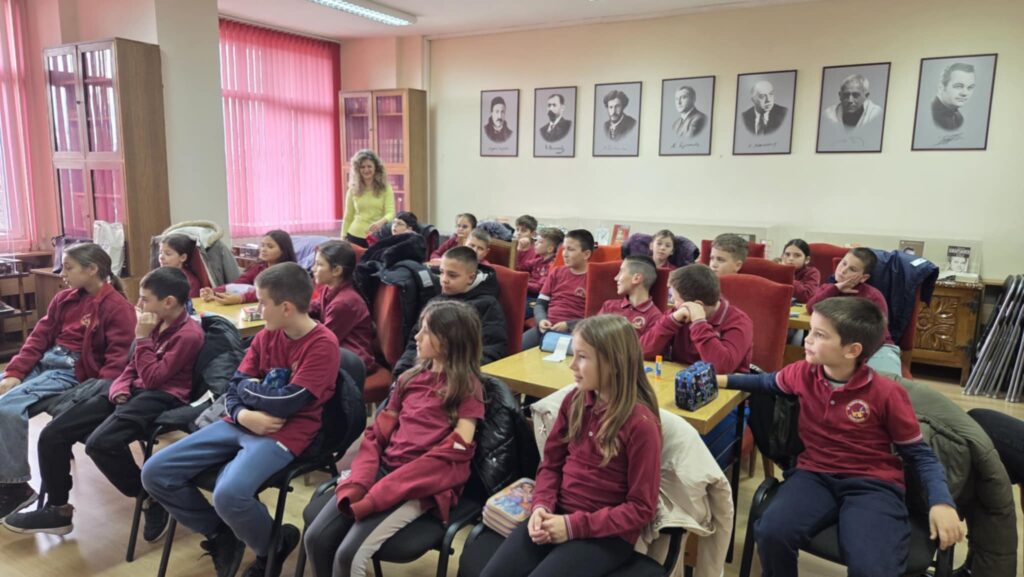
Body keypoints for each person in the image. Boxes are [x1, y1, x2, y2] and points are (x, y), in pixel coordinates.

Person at [721, 297, 963, 576]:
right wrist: (722, 379)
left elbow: (920, 454)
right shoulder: (802, 373)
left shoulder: (887, 393)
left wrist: (941, 501)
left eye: (819, 334)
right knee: (772, 532)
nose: (807, 340)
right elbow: (765, 382)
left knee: (872, 567)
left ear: (852, 350)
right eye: (810, 331)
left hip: (873, 484)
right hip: (814, 475)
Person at [142, 262, 341, 577]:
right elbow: (234, 387)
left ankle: (272, 546)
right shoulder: (265, 337)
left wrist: (250, 392)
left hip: (283, 433)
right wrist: (243, 413)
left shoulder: (323, 344)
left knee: (229, 494)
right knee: (154, 472)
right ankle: (221, 533)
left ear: (286, 307)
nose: (258, 309)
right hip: (242, 422)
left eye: (262, 302)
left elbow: (290, 402)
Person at [3, 267, 203, 539]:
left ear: (168, 302)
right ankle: (58, 511)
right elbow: (130, 367)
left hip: (160, 397)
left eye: (145, 299)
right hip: (128, 390)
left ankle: (149, 497)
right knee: (52, 435)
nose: (139, 304)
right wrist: (118, 387)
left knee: (100, 444)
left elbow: (153, 379)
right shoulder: (154, 322)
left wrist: (142, 338)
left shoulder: (188, 334)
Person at [303, 300, 485, 577]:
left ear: (449, 341)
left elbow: (456, 451)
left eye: (426, 331)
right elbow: (379, 432)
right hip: (386, 470)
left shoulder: (467, 388)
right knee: (315, 538)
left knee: (349, 555)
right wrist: (364, 474)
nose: (417, 337)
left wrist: (391, 482)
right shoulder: (409, 378)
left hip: (421, 484)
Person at [481, 314, 662, 577]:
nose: (572, 365)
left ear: (615, 362)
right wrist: (541, 506)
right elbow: (550, 465)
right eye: (573, 355)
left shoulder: (641, 425)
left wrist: (572, 526)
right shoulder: (574, 402)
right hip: (557, 513)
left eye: (582, 357)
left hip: (606, 534)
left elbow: (641, 509)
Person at [0, 244, 134, 519]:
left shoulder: (117, 307)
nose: (62, 273)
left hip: (71, 372)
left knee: (6, 408)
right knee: (6, 393)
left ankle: (15, 487)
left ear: (92, 269)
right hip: (47, 361)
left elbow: (117, 361)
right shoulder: (64, 299)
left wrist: (95, 396)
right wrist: (15, 372)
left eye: (69, 267)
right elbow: (38, 338)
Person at [393, 247, 507, 376]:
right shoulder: (435, 302)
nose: (444, 279)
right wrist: (402, 371)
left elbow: (492, 350)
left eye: (452, 275)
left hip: (459, 377)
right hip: (425, 373)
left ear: (471, 277)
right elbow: (415, 343)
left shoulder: (487, 305)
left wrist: (448, 372)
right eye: (441, 272)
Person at [806, 248, 902, 377]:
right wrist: (835, 289)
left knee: (884, 380)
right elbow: (811, 308)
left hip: (877, 347)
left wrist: (859, 359)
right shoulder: (828, 290)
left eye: (852, 269)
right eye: (843, 263)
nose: (843, 270)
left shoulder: (873, 295)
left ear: (864, 277)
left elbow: (880, 333)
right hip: (840, 347)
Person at [640, 264, 753, 373]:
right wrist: (671, 321)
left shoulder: (739, 321)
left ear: (697, 305)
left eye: (676, 300)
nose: (673, 304)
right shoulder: (678, 313)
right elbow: (642, 351)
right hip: (680, 378)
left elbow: (721, 368)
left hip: (723, 384)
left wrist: (699, 323)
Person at [311, 240, 377, 373]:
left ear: (337, 270)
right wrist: (297, 308)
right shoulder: (328, 288)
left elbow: (324, 338)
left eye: (319, 264)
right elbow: (317, 306)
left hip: (354, 363)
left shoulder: (344, 303)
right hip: (338, 351)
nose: (313, 269)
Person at [522, 229, 594, 350]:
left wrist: (568, 325)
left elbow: (596, 317)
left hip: (576, 332)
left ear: (586, 254)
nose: (564, 254)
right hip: (547, 327)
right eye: (564, 249)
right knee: (515, 349)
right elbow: (540, 304)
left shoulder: (594, 278)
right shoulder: (557, 272)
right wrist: (541, 320)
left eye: (570, 249)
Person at [201, 230, 297, 305]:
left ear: (283, 251)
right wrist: (214, 292)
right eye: (262, 245)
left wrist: (241, 298)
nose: (263, 249)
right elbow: (239, 284)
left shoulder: (289, 273)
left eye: (270, 247)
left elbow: (270, 293)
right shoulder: (259, 267)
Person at [341, 149, 396, 248]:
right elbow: (348, 217)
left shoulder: (386, 188)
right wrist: (343, 236)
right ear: (358, 170)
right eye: (362, 167)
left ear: (376, 168)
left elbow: (391, 213)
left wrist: (380, 223)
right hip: (354, 236)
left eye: (369, 166)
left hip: (377, 236)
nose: (366, 170)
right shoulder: (352, 190)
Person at [597, 256, 662, 337]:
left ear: (636, 278)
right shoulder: (609, 306)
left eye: (621, 272)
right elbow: (593, 335)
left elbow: (646, 344)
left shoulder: (655, 317)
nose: (616, 278)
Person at [932, 62, 975, 131]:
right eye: (958, 86)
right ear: (941, 88)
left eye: (970, 87)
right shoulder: (930, 115)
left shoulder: (959, 118)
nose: (965, 93)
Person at [159, 233, 202, 298]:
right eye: (160, 252)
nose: (161, 257)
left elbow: (188, 303)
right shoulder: (156, 276)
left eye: (168, 254)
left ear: (183, 257)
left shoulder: (190, 282)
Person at [781, 239, 820, 303]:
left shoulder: (812, 273)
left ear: (807, 260)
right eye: (787, 254)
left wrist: (787, 275)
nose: (791, 259)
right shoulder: (777, 270)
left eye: (797, 255)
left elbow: (807, 295)